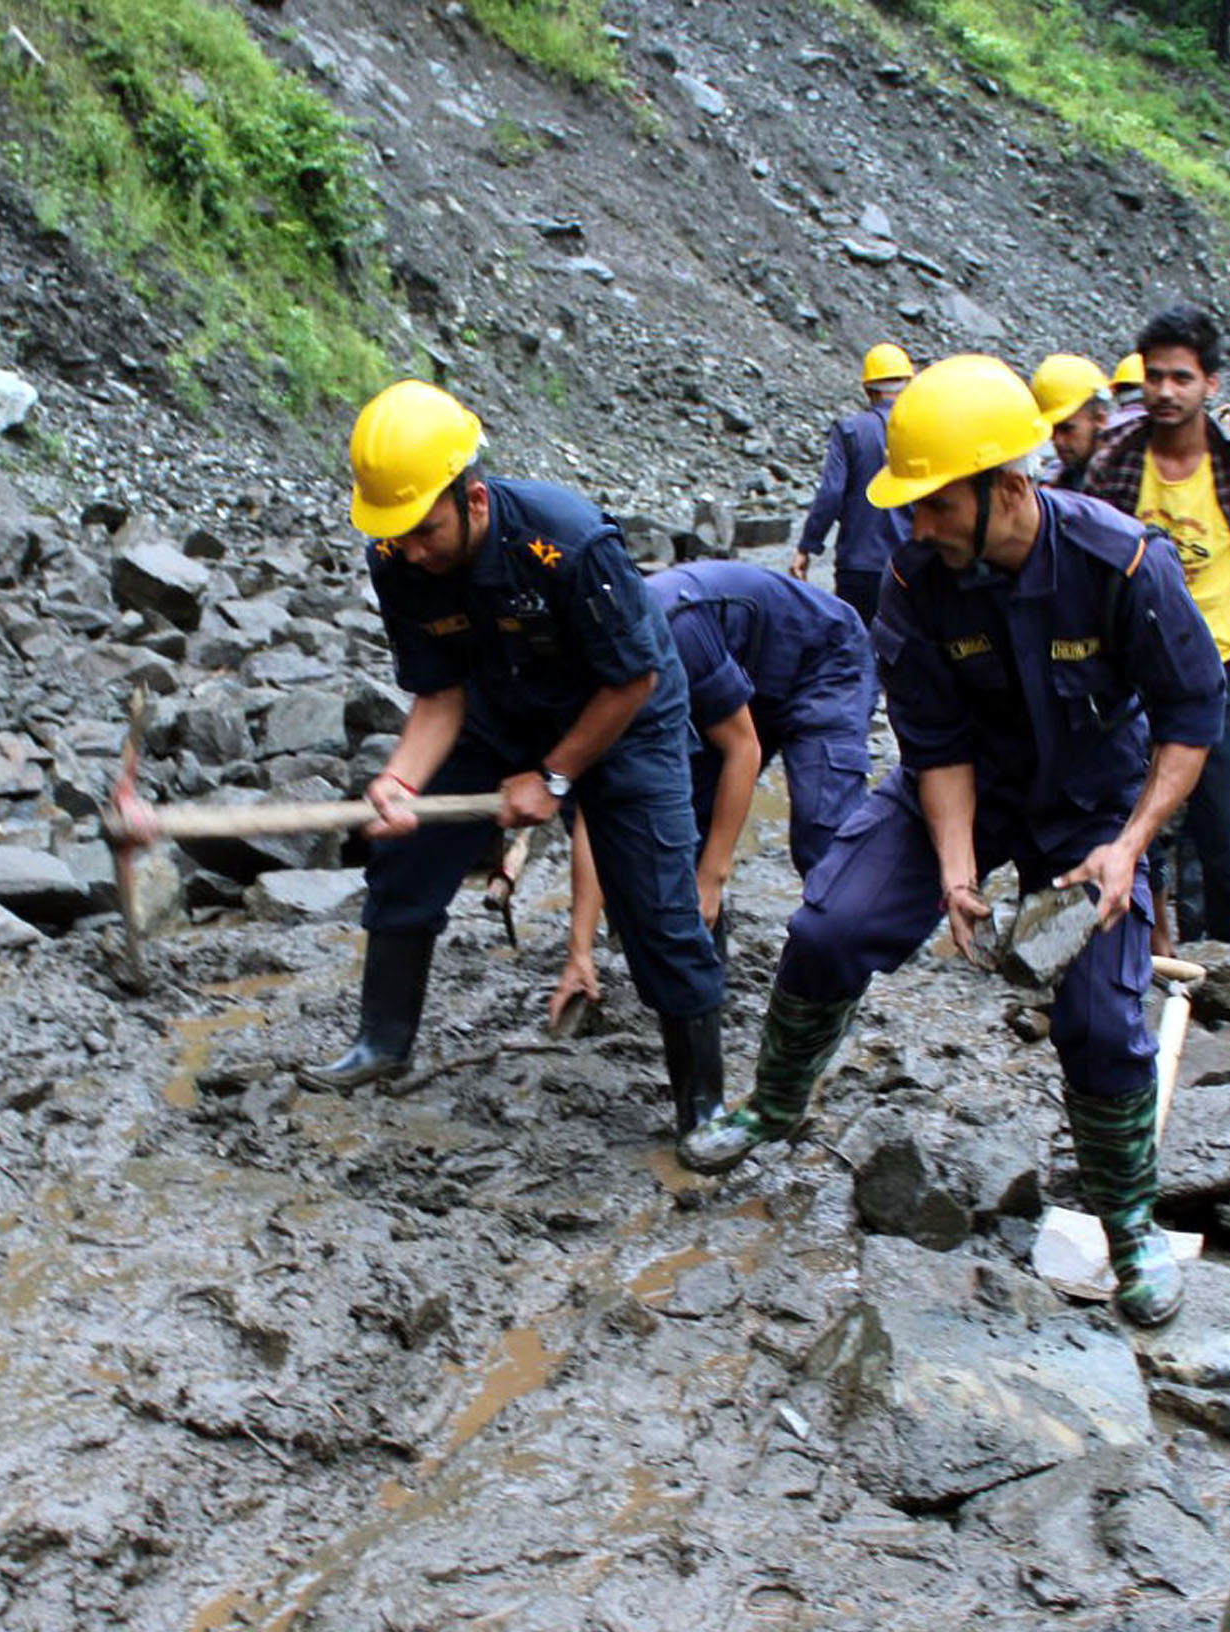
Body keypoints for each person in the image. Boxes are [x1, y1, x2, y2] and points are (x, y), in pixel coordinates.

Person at [683, 356, 1224, 1329]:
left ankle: (1129, 1226)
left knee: (1103, 1021)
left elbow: (1191, 720)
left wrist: (1133, 842)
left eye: (933, 505)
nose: (915, 525)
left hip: (1095, 809)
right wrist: (958, 865)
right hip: (968, 783)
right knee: (830, 926)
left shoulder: (1124, 566)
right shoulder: (913, 576)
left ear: (1008, 490)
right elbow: (933, 739)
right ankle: (773, 1101)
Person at [314, 378, 727, 1146]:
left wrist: (558, 776)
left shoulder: (566, 542)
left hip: (624, 715)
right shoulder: (398, 557)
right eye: (395, 534)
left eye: (423, 530)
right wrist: (401, 779)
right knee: (402, 855)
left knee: (660, 915)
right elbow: (438, 695)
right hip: (498, 708)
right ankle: (381, 1042)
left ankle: (703, 1106)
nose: (410, 549)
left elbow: (632, 678)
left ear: (472, 499)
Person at [1081, 305, 1230, 947]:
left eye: (1181, 377)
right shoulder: (1115, 464)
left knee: (1226, 839)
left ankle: (1223, 979)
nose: (1165, 391)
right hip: (1132, 673)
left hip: (1226, 670)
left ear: (1210, 384)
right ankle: (1142, 954)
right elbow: (1090, 572)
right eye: (1155, 376)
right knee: (1129, 817)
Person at [551, 561, 877, 1025]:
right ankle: (708, 989)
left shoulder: (665, 631)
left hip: (818, 659)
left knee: (820, 835)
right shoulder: (585, 686)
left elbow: (743, 747)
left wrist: (713, 878)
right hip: (732, 681)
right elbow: (595, 814)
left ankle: (841, 979)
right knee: (681, 828)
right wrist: (578, 951)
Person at [792, 343, 915, 623]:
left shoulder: (850, 431)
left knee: (856, 648)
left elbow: (831, 493)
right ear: (907, 385)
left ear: (868, 389)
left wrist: (807, 546)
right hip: (909, 565)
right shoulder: (923, 430)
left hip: (857, 566)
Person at [1032, 353, 1113, 490]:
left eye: (1066, 429)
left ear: (1100, 420)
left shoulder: (1121, 478)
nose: (1057, 441)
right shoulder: (1065, 476)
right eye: (1052, 430)